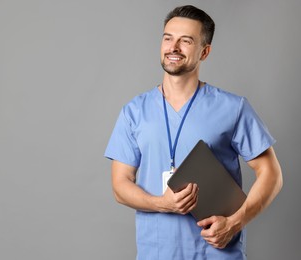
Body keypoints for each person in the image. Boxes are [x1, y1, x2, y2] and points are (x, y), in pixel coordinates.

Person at [104, 5, 283, 260]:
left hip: (217, 251)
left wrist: (235, 223)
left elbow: (271, 174)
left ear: (205, 51)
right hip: (157, 251)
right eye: (168, 38)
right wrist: (161, 203)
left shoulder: (233, 108)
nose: (173, 47)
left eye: (185, 41)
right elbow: (120, 187)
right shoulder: (134, 112)